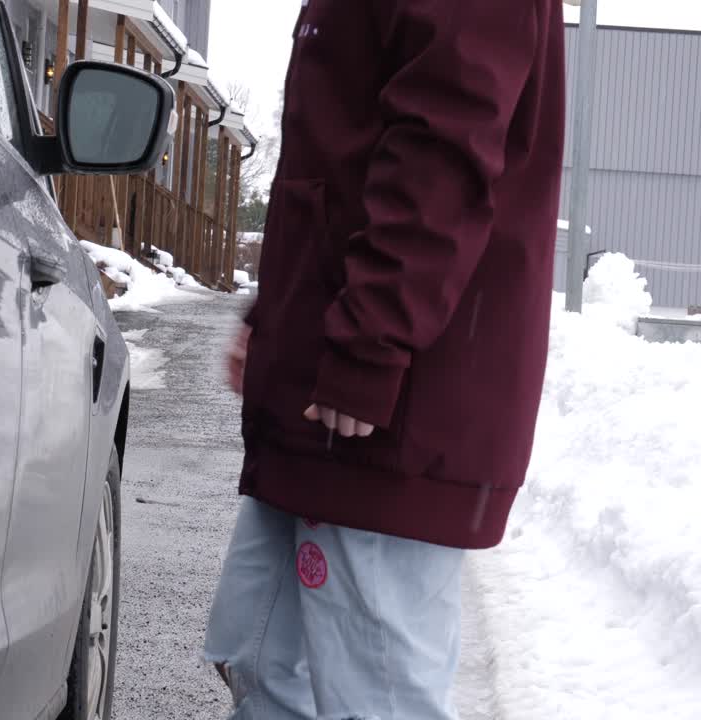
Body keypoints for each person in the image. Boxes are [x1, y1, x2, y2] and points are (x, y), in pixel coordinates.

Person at [204, 0, 567, 718]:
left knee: (375, 698)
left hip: (394, 409)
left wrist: (371, 341)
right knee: (258, 661)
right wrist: (275, 321)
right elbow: (337, 160)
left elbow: (442, 148)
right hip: (323, 384)